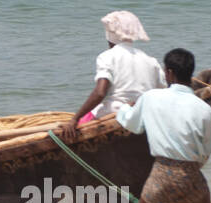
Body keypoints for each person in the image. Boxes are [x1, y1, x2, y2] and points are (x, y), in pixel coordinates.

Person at [115, 48, 211, 203]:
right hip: (191, 175)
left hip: (162, 173)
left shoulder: (151, 97)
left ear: (169, 72)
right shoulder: (204, 109)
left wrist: (126, 107)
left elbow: (132, 125)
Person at [59, 11, 165, 142]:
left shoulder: (107, 57)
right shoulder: (151, 60)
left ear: (109, 36)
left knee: (82, 120)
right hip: (142, 114)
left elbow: (100, 92)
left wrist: (74, 119)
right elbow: (162, 92)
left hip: (114, 114)